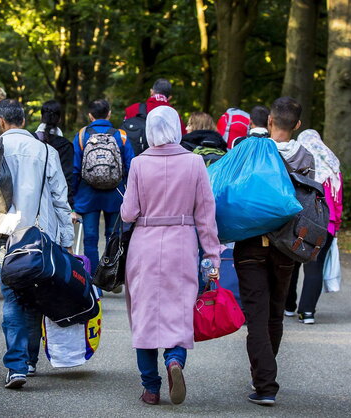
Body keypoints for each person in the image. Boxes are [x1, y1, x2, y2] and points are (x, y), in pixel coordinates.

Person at [120, 106, 220, 406]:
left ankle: (151, 388)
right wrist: (213, 257)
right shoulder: (194, 163)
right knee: (178, 309)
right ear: (177, 127)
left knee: (145, 314)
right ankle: (174, 360)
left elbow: (128, 213)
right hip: (182, 243)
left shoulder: (138, 163)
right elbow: (206, 214)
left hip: (145, 244)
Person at [0, 99, 72, 389]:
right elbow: (60, 198)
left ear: (0, 122)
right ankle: (29, 360)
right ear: (23, 120)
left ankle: (16, 365)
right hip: (41, 236)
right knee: (35, 297)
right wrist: (66, 240)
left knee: (13, 298)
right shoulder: (46, 151)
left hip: (7, 237)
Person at [233, 97, 312, 407]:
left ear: (268, 122)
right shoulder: (305, 156)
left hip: (251, 242)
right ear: (297, 125)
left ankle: (265, 383)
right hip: (287, 245)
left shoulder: (252, 149)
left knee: (256, 316)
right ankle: (264, 372)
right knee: (275, 314)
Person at [284, 129, 343, 324]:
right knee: (314, 267)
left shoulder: (300, 162)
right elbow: (338, 201)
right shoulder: (333, 166)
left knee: (292, 262)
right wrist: (336, 225)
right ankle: (307, 312)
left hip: (301, 222)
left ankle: (288, 306)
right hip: (327, 225)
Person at [72, 99, 135, 273]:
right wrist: (129, 193)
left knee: (90, 238)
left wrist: (73, 198)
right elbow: (130, 166)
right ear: (109, 113)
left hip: (88, 194)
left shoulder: (81, 135)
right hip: (115, 194)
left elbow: (75, 168)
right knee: (113, 236)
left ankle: (93, 279)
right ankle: (110, 274)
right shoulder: (120, 135)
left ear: (90, 115)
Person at [34, 100, 75, 207]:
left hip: (34, 199)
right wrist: (70, 206)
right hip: (58, 200)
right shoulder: (66, 145)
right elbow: (67, 177)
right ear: (60, 119)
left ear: (41, 117)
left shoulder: (31, 141)